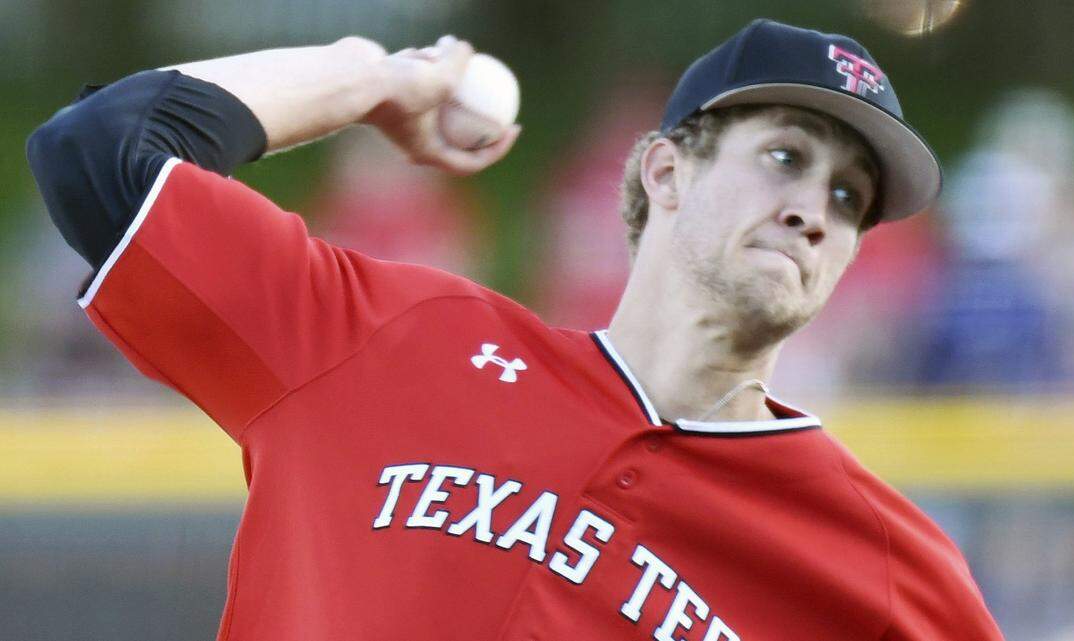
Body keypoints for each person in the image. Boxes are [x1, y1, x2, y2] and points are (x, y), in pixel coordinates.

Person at [27, 18, 1004, 641]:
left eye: (849, 194)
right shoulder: (398, 341)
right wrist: (369, 79)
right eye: (784, 156)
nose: (814, 209)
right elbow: (101, 152)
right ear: (664, 172)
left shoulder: (881, 565)